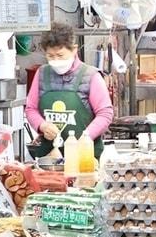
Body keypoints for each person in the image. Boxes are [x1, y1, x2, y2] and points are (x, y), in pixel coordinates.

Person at [26, 23, 115, 159]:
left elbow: (105, 113)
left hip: (85, 156)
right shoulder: (42, 73)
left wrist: (86, 137)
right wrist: (42, 125)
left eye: (60, 55)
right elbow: (31, 109)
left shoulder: (90, 75)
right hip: (50, 158)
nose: (55, 60)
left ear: (74, 50)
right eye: (50, 56)